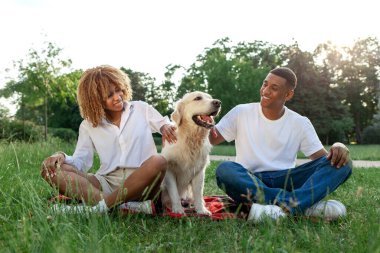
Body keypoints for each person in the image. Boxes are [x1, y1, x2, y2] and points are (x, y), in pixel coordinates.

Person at [209, 67, 352, 223]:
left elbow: (325, 161)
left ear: (288, 94)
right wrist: (186, 122)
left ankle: (276, 210)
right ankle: (297, 206)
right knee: (225, 169)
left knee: (343, 164)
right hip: (250, 181)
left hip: (287, 181)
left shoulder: (300, 123)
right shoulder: (241, 112)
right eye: (265, 84)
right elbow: (210, 139)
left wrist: (339, 146)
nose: (266, 90)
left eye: (274, 88)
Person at [41, 65, 176, 214]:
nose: (118, 97)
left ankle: (98, 208)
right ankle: (122, 207)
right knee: (51, 171)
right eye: (110, 95)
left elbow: (164, 123)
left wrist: (165, 127)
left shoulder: (140, 109)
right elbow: (82, 162)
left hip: (143, 181)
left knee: (159, 161)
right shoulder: (88, 125)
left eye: (119, 90)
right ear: (95, 100)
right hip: (107, 181)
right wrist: (62, 156)